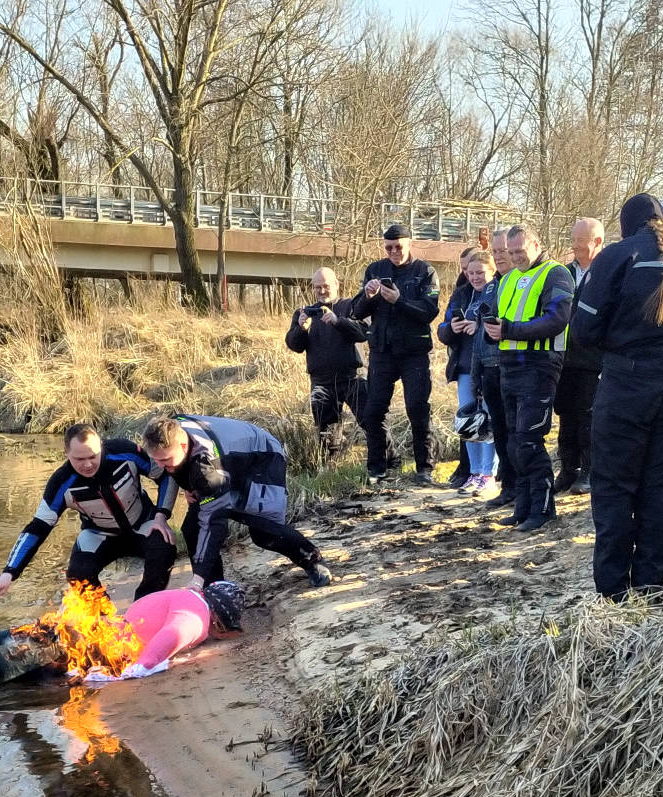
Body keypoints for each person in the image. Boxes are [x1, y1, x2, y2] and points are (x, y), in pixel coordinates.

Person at [573, 195, 663, 599]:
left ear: (627, 224)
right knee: (657, 487)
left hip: (625, 383)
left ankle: (613, 590)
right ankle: (651, 585)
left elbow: (584, 327)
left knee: (615, 486)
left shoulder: (618, 256)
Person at [0, 582, 246, 688]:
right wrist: (142, 668)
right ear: (222, 624)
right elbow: (173, 634)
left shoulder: (186, 596)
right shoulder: (198, 617)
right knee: (29, 650)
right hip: (102, 644)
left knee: (25, 635)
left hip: (100, 628)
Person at [0, 424, 177, 604]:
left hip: (143, 522)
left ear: (101, 446)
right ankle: (103, 621)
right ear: (66, 453)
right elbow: (37, 528)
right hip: (100, 534)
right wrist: (9, 573)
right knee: (77, 574)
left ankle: (143, 608)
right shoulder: (60, 483)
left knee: (164, 548)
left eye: (93, 456)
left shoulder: (124, 451)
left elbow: (164, 474)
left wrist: (161, 514)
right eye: (79, 459)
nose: (88, 465)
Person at [140, 414, 332, 589]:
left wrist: (197, 577)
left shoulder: (207, 468)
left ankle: (311, 559)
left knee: (263, 532)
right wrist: (166, 509)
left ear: (183, 447)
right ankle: (216, 589)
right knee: (192, 528)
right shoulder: (169, 432)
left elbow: (214, 522)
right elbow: (173, 470)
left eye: (165, 460)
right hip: (226, 459)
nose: (161, 466)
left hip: (260, 457)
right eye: (156, 461)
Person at [485, 224, 576, 531]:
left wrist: (509, 330)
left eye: (520, 252)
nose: (515, 258)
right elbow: (501, 321)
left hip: (540, 364)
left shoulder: (557, 273)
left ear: (537, 245)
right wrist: (492, 330)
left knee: (529, 441)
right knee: (513, 443)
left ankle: (545, 507)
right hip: (508, 365)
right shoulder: (508, 279)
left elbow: (558, 318)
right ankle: (523, 506)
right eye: (511, 253)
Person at [350, 225, 442, 484]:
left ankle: (425, 468)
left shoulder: (425, 271)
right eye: (388, 247)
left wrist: (398, 300)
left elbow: (429, 312)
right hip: (382, 351)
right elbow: (356, 312)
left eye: (398, 247)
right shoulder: (375, 269)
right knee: (373, 411)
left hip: (414, 351)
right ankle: (377, 469)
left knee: (417, 408)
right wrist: (369, 296)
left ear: (409, 244)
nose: (393, 252)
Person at [285, 267, 370, 460]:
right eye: (317, 287)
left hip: (353, 377)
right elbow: (294, 345)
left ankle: (387, 463)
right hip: (321, 381)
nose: (322, 291)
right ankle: (331, 469)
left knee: (371, 421)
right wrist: (301, 328)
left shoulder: (351, 306)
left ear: (336, 285)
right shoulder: (304, 312)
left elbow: (362, 333)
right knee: (327, 433)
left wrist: (337, 321)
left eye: (325, 286)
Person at [437, 248, 501, 495]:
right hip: (464, 365)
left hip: (488, 364)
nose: (474, 277)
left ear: (491, 271)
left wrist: (480, 326)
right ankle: (474, 472)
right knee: (468, 421)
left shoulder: (497, 291)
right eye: (470, 272)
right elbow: (442, 330)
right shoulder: (461, 294)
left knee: (488, 419)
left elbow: (500, 323)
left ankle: (489, 473)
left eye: (480, 272)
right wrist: (452, 327)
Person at [553, 218, 608, 494]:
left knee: (588, 415)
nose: (574, 245)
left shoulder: (607, 272)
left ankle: (589, 469)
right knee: (565, 413)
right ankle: (567, 467)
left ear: (596, 241)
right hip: (564, 355)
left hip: (594, 357)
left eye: (580, 240)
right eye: (573, 239)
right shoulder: (563, 272)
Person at [480, 233, 519, 507]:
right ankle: (508, 485)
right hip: (490, 367)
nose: (500, 255)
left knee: (517, 431)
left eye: (504, 249)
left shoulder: (522, 282)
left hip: (517, 366)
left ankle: (521, 487)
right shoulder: (491, 287)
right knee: (501, 430)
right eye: (495, 251)